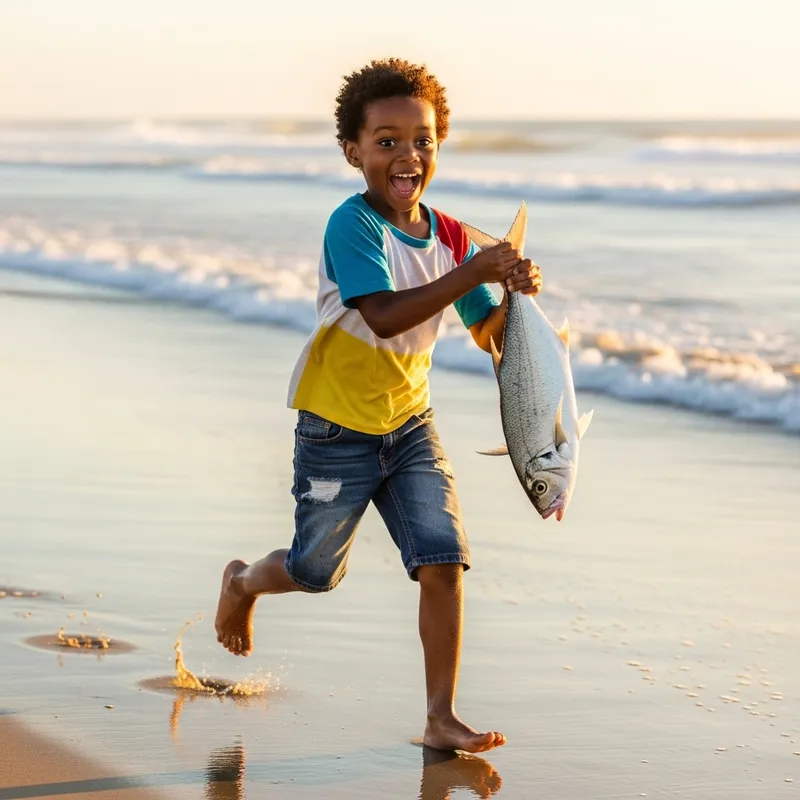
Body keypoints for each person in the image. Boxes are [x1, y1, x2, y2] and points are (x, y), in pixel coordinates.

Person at [215, 57, 542, 753]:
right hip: (336, 431)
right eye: (386, 140)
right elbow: (388, 314)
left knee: (443, 560)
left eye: (423, 140)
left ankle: (439, 716)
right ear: (352, 151)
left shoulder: (452, 235)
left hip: (411, 424)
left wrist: (512, 296)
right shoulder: (353, 225)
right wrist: (472, 271)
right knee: (313, 572)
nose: (407, 156)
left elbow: (487, 332)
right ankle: (244, 581)